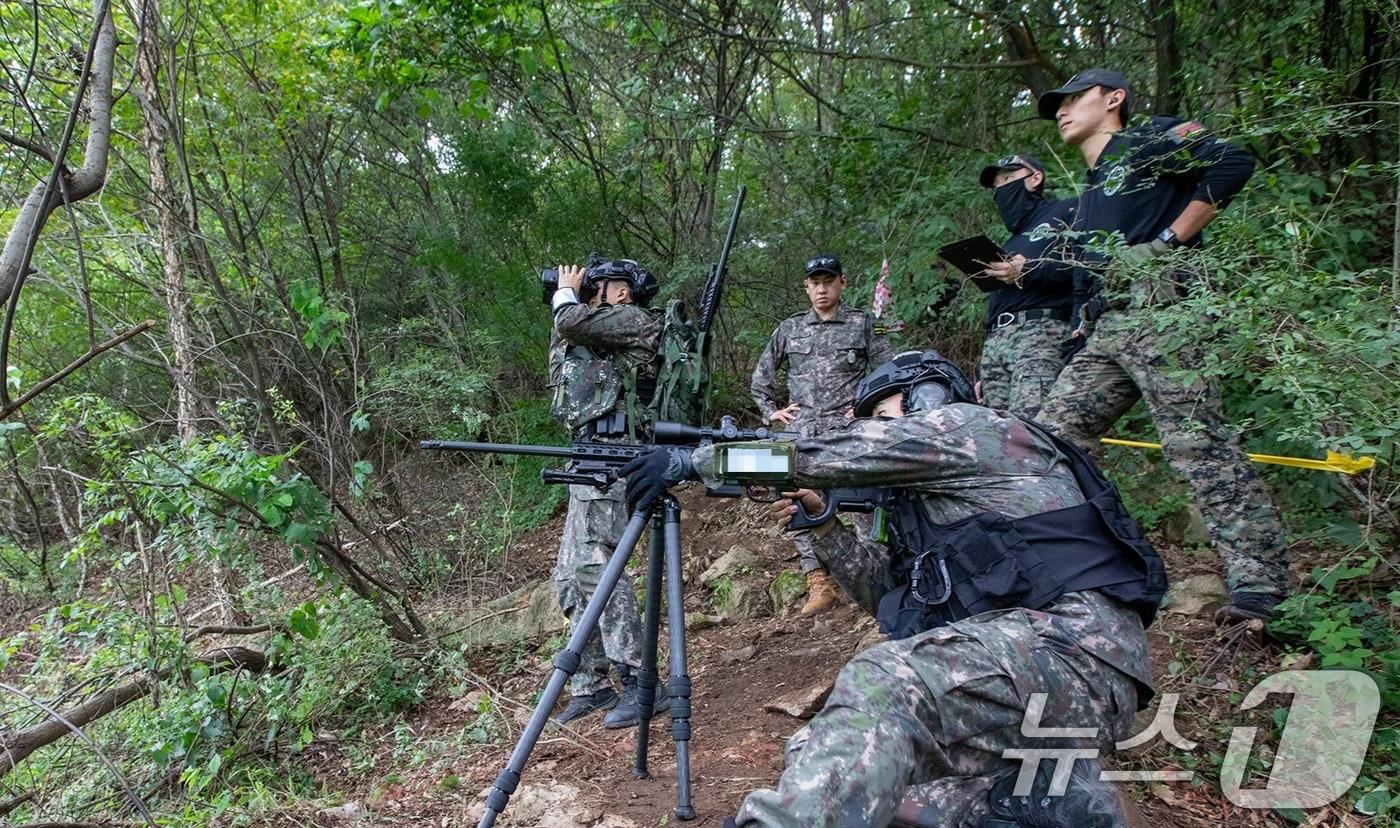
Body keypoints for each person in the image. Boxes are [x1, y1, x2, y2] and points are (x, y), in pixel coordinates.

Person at [621, 351, 1167, 827]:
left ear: (927, 397)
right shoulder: (934, 504)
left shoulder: (970, 427)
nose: (877, 433)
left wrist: (698, 460)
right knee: (832, 755)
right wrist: (825, 526)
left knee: (883, 681)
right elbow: (894, 599)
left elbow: (819, 453)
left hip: (1075, 650)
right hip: (1021, 685)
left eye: (883, 418)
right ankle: (1044, 802)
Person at [1035, 68, 1290, 622]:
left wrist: (1169, 240)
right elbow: (1086, 270)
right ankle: (1083, 567)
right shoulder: (1092, 188)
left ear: (1114, 98)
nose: (1062, 110)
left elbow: (1232, 163)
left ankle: (1261, 587)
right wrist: (1080, 328)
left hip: (1162, 316)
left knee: (1198, 445)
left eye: (1075, 98)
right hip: (1107, 328)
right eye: (1058, 104)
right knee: (1049, 442)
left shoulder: (1148, 140)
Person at [546, 258, 668, 728]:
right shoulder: (592, 333)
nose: (587, 288)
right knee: (568, 577)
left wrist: (566, 295)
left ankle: (641, 681)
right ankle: (590, 686)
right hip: (587, 456)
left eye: (597, 283)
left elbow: (570, 321)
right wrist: (568, 302)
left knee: (600, 568)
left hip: (616, 457)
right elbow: (564, 353)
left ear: (622, 291)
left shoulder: (636, 320)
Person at [750, 253, 893, 615]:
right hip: (802, 433)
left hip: (848, 431)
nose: (822, 289)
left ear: (842, 283)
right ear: (806, 287)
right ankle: (818, 581)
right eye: (815, 283)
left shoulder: (864, 324)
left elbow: (888, 373)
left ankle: (875, 579)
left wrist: (867, 407)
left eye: (829, 281)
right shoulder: (790, 328)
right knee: (795, 500)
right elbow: (761, 378)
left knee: (862, 503)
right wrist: (772, 412)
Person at [976, 154, 1077, 417]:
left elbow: (1088, 267)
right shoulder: (1012, 241)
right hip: (997, 342)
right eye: (997, 185)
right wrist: (984, 366)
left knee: (1030, 427)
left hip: (1042, 334)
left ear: (1035, 178)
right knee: (995, 431)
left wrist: (1030, 268)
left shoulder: (1067, 212)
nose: (1002, 189)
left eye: (1008, 178)